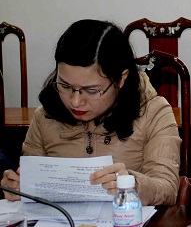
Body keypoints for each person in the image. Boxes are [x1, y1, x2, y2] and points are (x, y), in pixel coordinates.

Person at [0, 19, 181, 205]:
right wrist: (18, 187)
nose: (75, 101)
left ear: (121, 79)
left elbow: (167, 189)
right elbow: (30, 180)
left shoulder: (153, 113)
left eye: (91, 90)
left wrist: (133, 184)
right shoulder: (45, 116)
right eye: (65, 85)